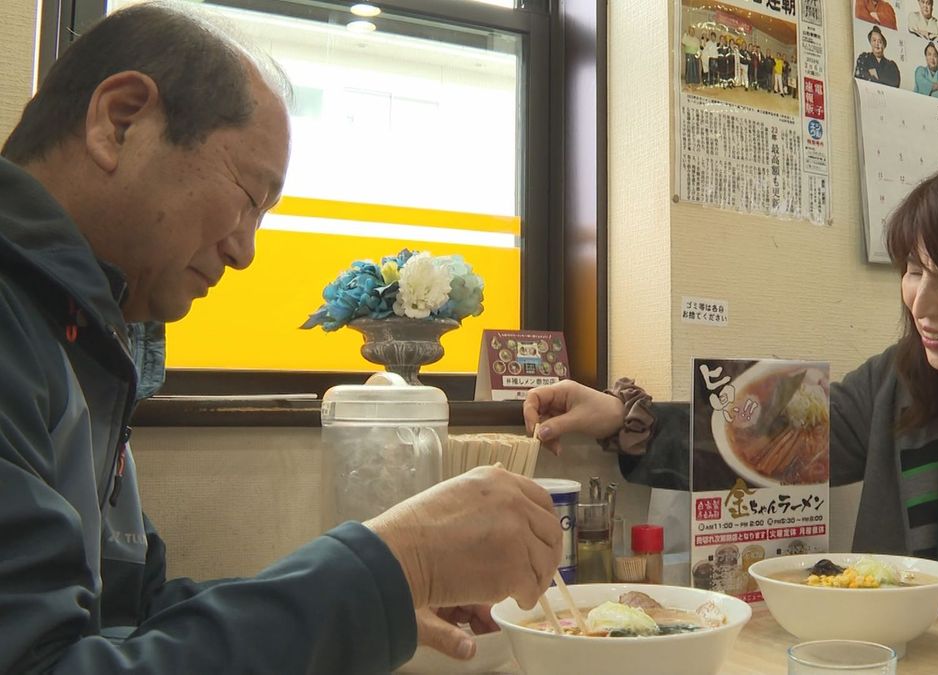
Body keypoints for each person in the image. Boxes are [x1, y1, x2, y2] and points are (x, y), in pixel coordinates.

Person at [0, 3, 562, 673]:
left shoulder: (84, 342)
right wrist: (396, 557)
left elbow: (136, 619)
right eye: (247, 198)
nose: (244, 253)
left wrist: (379, 594)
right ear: (120, 120)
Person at [523, 152, 938, 669]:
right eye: (913, 267)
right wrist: (618, 416)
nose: (920, 302)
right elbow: (755, 438)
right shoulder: (899, 384)